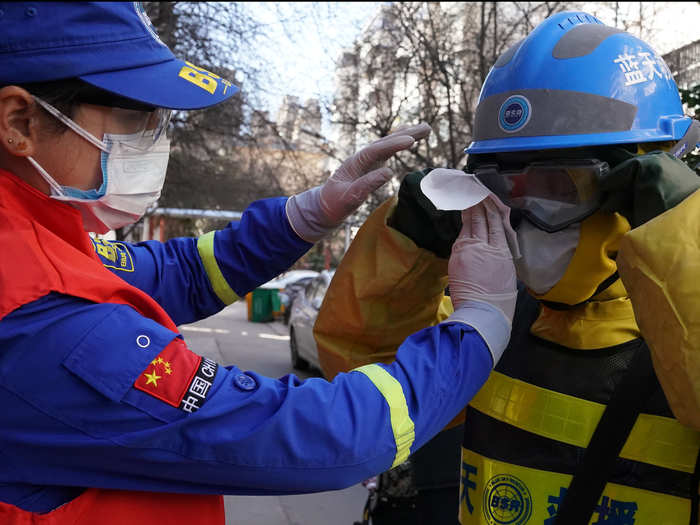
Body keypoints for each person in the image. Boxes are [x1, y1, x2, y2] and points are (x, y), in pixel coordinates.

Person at [0, 3, 520, 524]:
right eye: (135, 118)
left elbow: (173, 272)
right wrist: (476, 327)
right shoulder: (35, 318)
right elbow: (323, 437)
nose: (154, 140)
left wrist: (303, 216)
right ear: (20, 121)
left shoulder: (34, 241)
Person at [315, 10, 700, 525]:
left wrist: (683, 241)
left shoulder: (680, 333)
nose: (524, 218)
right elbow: (365, 393)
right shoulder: (488, 320)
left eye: (558, 188)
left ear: (641, 188)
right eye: (503, 189)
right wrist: (404, 250)